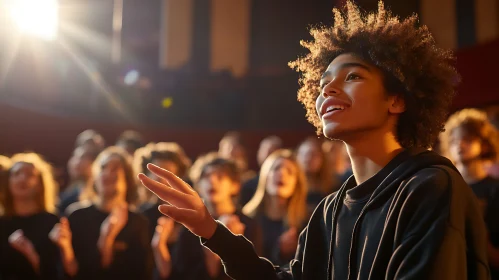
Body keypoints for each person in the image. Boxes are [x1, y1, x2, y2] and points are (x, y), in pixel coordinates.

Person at [138, 1, 489, 279]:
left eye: (352, 76)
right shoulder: (331, 210)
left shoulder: (430, 187)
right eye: (322, 86)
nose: (329, 90)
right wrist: (209, 229)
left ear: (396, 100)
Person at [51, 147, 152, 280]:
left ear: (127, 180)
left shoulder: (138, 222)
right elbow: (72, 272)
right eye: (103, 167)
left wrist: (107, 241)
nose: (107, 173)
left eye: (115, 168)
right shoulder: (77, 215)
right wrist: (64, 248)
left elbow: (141, 273)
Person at [440, 108, 499, 278]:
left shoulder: (495, 189)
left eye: (467, 138)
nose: (459, 145)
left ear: (484, 143)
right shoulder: (442, 186)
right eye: (454, 140)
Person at [0, 153, 60, 280]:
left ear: (40, 184)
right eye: (16, 174)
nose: (22, 179)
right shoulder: (2, 222)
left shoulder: (51, 222)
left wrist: (30, 252)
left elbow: (58, 272)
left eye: (29, 175)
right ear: (8, 182)